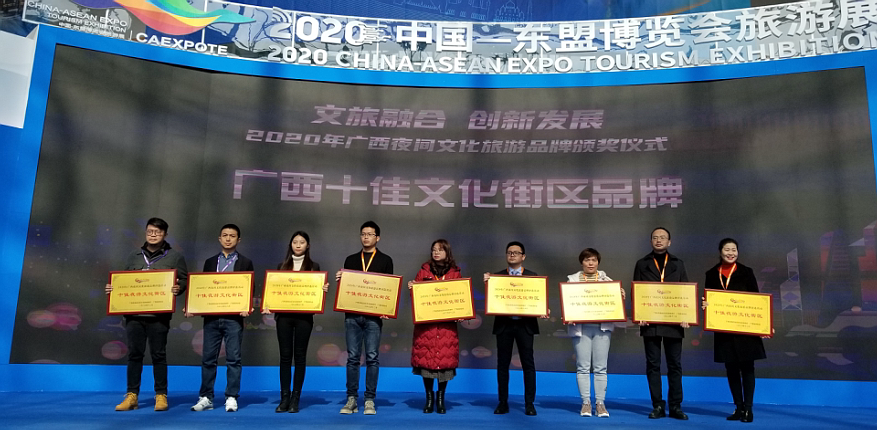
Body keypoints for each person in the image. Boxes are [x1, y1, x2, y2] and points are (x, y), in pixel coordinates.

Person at [105, 217, 188, 412]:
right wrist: (113, 288)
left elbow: (184, 280)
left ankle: (161, 395)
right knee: (134, 355)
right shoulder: (134, 256)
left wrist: (179, 288)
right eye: (150, 231)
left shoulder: (174, 257)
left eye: (157, 232)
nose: (153, 235)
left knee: (159, 355)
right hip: (134, 316)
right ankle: (131, 396)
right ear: (145, 232)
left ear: (165, 234)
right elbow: (123, 281)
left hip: (158, 316)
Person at [189, 224, 255, 413]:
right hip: (212, 318)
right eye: (224, 235)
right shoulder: (210, 262)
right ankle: (206, 397)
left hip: (234, 318)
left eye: (232, 236)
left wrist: (246, 306)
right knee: (208, 359)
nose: (228, 238)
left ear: (238, 240)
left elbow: (249, 289)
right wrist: (194, 305)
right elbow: (202, 287)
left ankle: (231, 397)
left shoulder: (245, 262)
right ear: (219, 238)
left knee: (234, 359)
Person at [703, 238, 766, 423]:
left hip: (746, 330)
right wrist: (706, 305)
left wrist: (762, 324)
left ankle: (749, 409)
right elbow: (709, 298)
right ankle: (738, 407)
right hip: (724, 329)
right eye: (727, 249)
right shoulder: (711, 274)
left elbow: (758, 300)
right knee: (731, 368)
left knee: (747, 368)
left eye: (734, 250)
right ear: (720, 251)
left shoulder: (746, 272)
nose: (730, 253)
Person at [266, 231, 329, 413]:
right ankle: (284, 398)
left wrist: (322, 289)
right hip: (284, 318)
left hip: (304, 318)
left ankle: (295, 399)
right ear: (291, 245)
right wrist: (269, 302)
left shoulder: (314, 267)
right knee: (285, 357)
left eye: (302, 242)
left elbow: (316, 292)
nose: (298, 245)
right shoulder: (281, 266)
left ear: (307, 245)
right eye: (295, 242)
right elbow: (274, 290)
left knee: (300, 356)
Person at [336, 221, 394, 415]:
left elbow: (388, 288)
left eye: (370, 234)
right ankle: (351, 399)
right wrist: (341, 281)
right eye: (363, 234)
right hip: (352, 316)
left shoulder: (385, 260)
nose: (366, 237)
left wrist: (386, 309)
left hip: (374, 318)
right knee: (352, 358)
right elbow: (347, 288)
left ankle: (369, 400)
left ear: (378, 238)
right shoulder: (351, 259)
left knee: (372, 357)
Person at [632, 227, 690, 420]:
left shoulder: (678, 264)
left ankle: (675, 406)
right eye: (655, 237)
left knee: (675, 365)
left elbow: (686, 292)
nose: (659, 240)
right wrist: (638, 314)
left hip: (674, 321)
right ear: (651, 241)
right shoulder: (642, 263)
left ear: (669, 242)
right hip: (650, 322)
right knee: (653, 365)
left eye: (663, 237)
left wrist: (686, 315)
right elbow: (636, 292)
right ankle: (657, 405)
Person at [483, 241, 545, 416]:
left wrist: (543, 309)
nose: (512, 255)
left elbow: (538, 300)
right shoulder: (496, 277)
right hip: (504, 325)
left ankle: (529, 403)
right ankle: (502, 402)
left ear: (523, 256)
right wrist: (488, 284)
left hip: (525, 326)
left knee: (528, 364)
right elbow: (492, 300)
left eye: (516, 253)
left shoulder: (533, 277)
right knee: (502, 365)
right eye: (509, 252)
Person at [566, 248, 625, 418]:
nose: (590, 263)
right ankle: (586, 403)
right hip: (581, 329)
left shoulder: (608, 282)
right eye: (587, 260)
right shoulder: (572, 281)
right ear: (582, 262)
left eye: (593, 260)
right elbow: (568, 303)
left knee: (601, 367)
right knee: (583, 367)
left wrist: (620, 296)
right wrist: (568, 314)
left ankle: (600, 403)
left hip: (602, 328)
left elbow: (615, 305)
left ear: (598, 262)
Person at [408, 239, 461, 414]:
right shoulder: (423, 272)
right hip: (427, 328)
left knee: (444, 363)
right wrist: (412, 289)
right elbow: (416, 300)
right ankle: (429, 398)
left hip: (446, 329)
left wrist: (462, 312)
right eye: (433, 250)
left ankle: (441, 398)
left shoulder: (455, 274)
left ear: (447, 252)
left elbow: (461, 299)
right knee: (427, 364)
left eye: (440, 250)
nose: (436, 252)